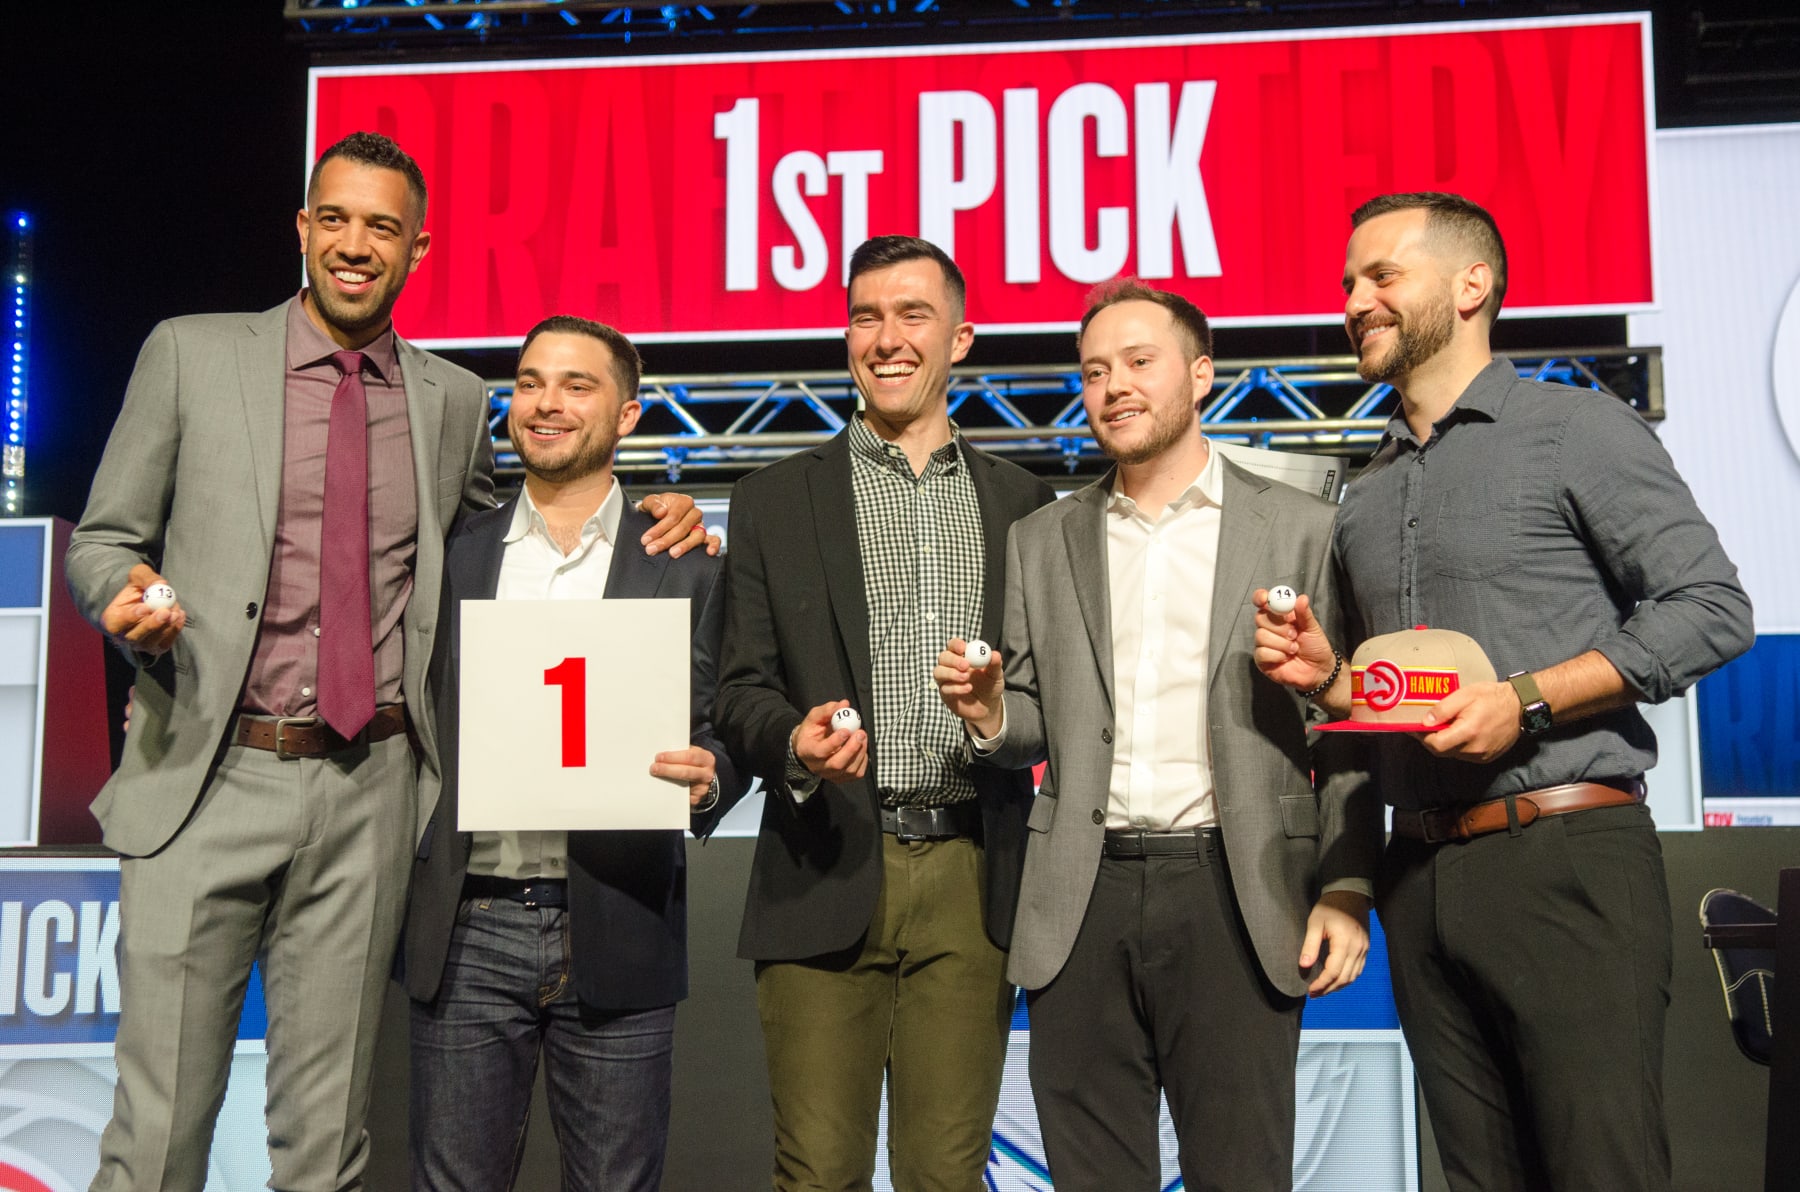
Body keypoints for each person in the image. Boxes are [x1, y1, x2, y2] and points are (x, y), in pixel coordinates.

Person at [64, 132, 706, 1192]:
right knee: (161, 1132)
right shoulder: (191, 351)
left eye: (382, 227)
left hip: (373, 794)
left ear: (417, 250)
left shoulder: (452, 399)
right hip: (206, 780)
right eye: (337, 218)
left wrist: (655, 509)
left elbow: (522, 527)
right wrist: (120, 595)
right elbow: (103, 536)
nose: (356, 243)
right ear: (303, 228)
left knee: (324, 1146)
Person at [1255, 191, 1753, 1191]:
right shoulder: (1369, 490)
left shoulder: (1576, 430)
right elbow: (1377, 709)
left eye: (1382, 275)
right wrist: (1332, 679)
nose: (1356, 298)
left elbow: (1712, 607)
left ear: (1471, 284)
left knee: (1600, 1171)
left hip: (1565, 856)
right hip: (1423, 878)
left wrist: (1524, 699)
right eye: (1350, 283)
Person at [932, 281, 1381, 1190]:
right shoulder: (1042, 538)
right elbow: (1033, 722)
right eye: (1095, 371)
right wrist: (987, 714)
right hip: (1078, 901)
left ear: (1201, 373)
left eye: (1139, 362)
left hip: (1239, 892)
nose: (1114, 387)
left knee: (1241, 1174)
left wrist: (1346, 883)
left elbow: (1346, 726)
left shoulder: (1304, 529)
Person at [713, 235, 1054, 1189]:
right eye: (866, 315)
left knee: (946, 1177)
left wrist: (994, 715)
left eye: (914, 315)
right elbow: (738, 687)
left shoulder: (1026, 505)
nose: (887, 337)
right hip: (823, 861)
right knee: (819, 1174)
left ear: (963, 336)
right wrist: (792, 742)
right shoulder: (775, 499)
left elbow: (1056, 697)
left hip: (972, 873)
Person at [401, 315, 748, 1191]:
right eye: (529, 382)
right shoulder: (451, 554)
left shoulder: (686, 562)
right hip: (469, 922)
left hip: (620, 913)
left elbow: (725, 726)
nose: (545, 403)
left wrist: (710, 782)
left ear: (628, 416)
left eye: (576, 385)